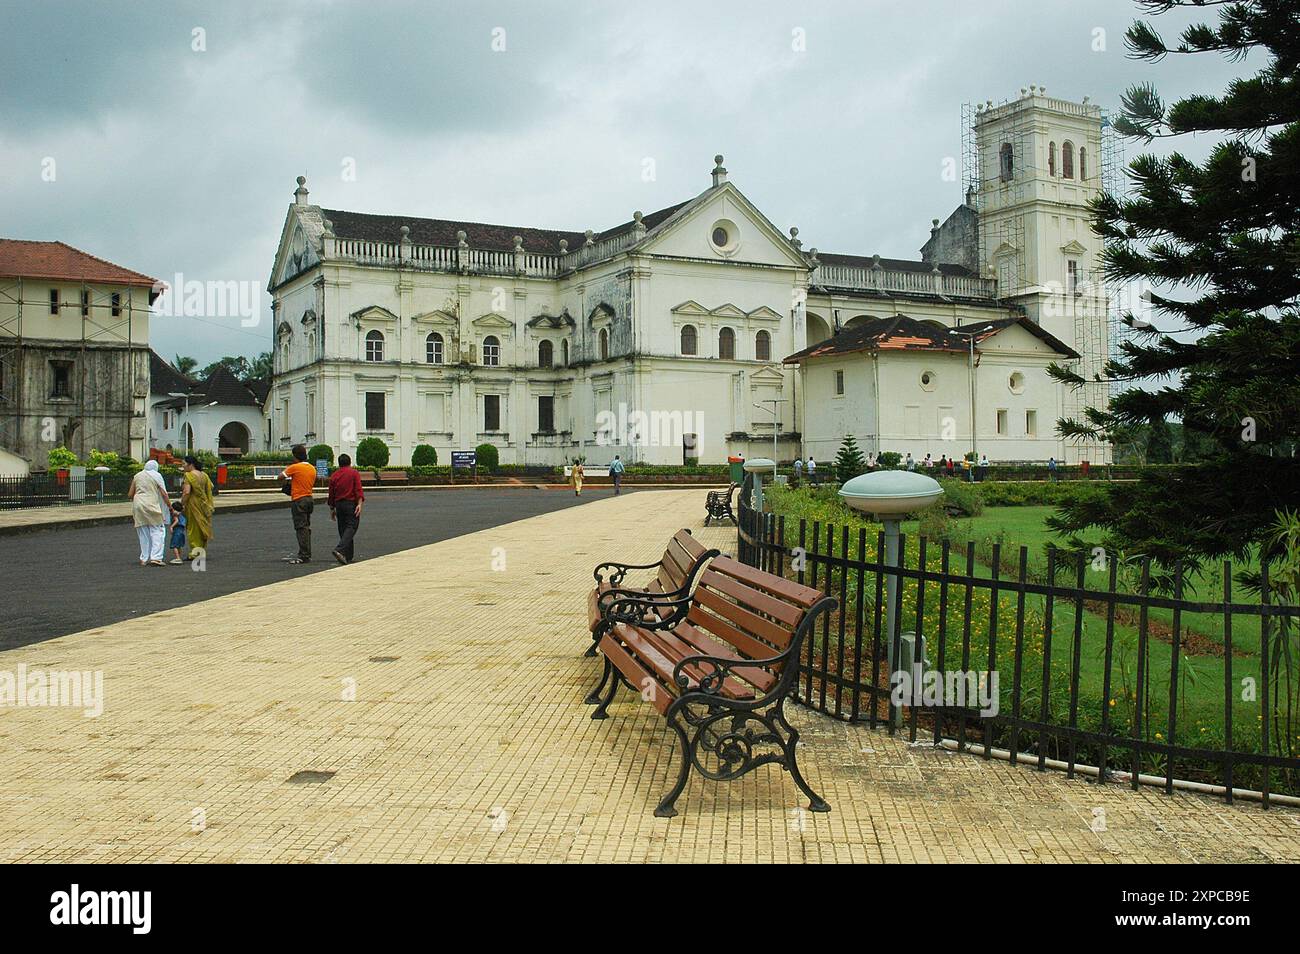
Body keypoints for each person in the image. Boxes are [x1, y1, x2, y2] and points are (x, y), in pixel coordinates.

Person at [128, 460, 171, 566]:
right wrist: (170, 506)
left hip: (138, 504)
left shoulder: (137, 476)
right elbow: (164, 493)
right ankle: (156, 557)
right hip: (151, 503)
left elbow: (130, 494)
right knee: (157, 530)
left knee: (143, 531)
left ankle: (144, 558)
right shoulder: (157, 475)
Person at [280, 444, 317, 564]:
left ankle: (304, 554)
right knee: (306, 526)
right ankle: (307, 552)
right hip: (309, 498)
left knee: (301, 527)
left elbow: (280, 477)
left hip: (298, 499)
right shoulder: (312, 468)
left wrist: (289, 479)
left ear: (295, 456)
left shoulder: (294, 467)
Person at [327, 452, 364, 564]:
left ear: (339, 464)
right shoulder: (354, 473)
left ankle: (348, 556)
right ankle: (340, 550)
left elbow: (331, 493)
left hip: (339, 504)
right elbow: (358, 489)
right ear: (350, 462)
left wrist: (332, 508)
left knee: (343, 529)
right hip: (350, 503)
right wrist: (359, 503)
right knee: (352, 526)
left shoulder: (334, 475)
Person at [181, 455, 214, 559]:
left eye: (184, 464)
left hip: (193, 503)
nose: (183, 466)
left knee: (193, 528)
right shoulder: (204, 475)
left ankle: (195, 552)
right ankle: (200, 550)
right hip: (204, 503)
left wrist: (181, 503)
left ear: (191, 464)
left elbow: (187, 492)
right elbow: (210, 487)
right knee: (202, 526)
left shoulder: (189, 475)